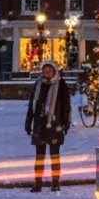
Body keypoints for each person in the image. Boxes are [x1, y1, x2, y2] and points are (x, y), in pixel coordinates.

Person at [24, 60, 72, 192]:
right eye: (44, 71)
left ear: (54, 71)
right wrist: (28, 123)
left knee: (54, 155)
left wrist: (65, 123)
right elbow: (32, 105)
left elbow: (65, 106)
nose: (46, 74)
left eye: (49, 71)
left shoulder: (61, 85)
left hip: (55, 124)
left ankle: (55, 183)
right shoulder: (39, 85)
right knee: (39, 156)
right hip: (40, 124)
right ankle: (38, 183)